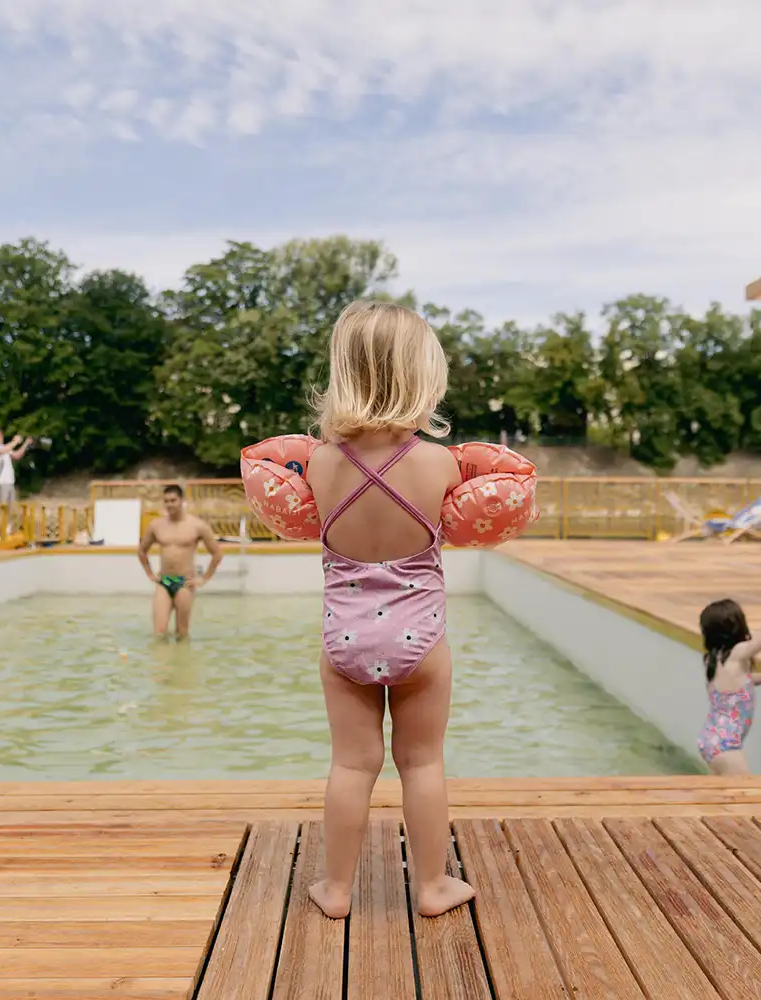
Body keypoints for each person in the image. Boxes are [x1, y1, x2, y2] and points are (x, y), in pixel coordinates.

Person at [302, 300, 475, 921]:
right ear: (422, 378)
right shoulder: (439, 463)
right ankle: (431, 886)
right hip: (420, 640)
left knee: (351, 763)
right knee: (421, 761)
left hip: (344, 638)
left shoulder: (320, 464)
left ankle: (336, 890)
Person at [697, 600, 761, 776]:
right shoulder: (737, 653)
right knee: (744, 790)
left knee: (727, 790)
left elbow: (740, 683)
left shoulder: (712, 660)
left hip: (712, 738)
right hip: (725, 745)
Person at [138, 485, 223, 639]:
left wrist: (204, 579)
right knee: (159, 632)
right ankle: (162, 655)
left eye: (173, 500)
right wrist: (150, 574)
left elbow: (217, 553)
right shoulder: (156, 525)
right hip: (164, 581)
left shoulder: (197, 525)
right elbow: (142, 551)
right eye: (166, 501)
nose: (169, 504)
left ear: (182, 500)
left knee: (181, 633)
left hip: (185, 583)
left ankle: (182, 655)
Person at [0, 427, 29, 505]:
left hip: (9, 481)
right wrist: (15, 441)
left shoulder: (2, 446)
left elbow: (17, 455)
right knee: (2, 507)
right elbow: (2, 451)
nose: (1, 437)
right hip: (0, 482)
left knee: (11, 508)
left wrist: (26, 444)